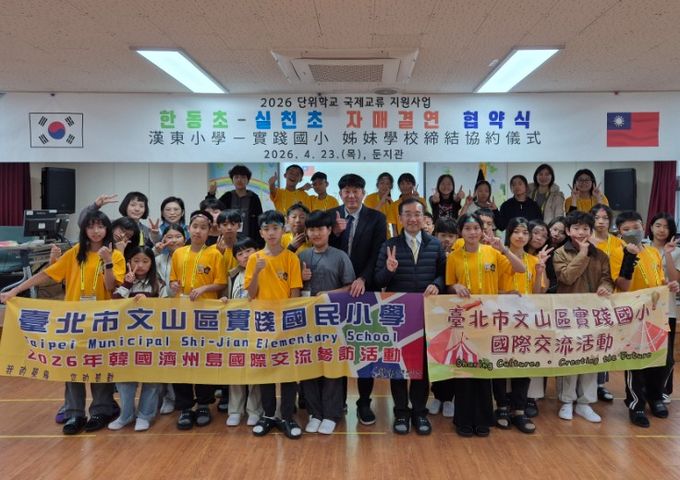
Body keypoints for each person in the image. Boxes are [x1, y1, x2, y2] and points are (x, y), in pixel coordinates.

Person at [1, 210, 125, 435]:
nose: (96, 231)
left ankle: (102, 409)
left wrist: (107, 261)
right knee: (72, 365)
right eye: (91, 226)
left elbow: (111, 286)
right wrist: (15, 290)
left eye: (100, 226)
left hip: (103, 320)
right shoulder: (75, 252)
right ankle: (74, 412)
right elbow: (48, 274)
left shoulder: (115, 255)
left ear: (107, 229)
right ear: (84, 230)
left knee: (100, 364)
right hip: (74, 320)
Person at [446, 213, 526, 437]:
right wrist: (455, 287)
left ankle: (483, 419)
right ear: (461, 232)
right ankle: (463, 420)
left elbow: (520, 269)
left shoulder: (492, 252)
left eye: (476, 228)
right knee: (464, 371)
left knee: (483, 371)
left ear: (482, 231)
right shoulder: (453, 257)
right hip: (464, 321)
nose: (472, 232)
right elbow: (449, 284)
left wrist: (505, 250)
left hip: (488, 320)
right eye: (467, 228)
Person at [374, 197, 447, 435]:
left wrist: (437, 284)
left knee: (422, 367)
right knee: (398, 365)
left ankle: (419, 412)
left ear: (424, 218)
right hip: (399, 315)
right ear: (400, 218)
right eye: (408, 214)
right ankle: (401, 412)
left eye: (417, 214)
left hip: (426, 314)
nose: (413, 219)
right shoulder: (389, 246)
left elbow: (444, 274)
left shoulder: (435, 245)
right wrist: (389, 270)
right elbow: (378, 279)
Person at [610, 211, 680, 427]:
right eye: (626, 229)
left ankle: (655, 397)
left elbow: (658, 280)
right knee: (636, 360)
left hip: (656, 312)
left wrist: (669, 285)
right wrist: (629, 257)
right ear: (620, 232)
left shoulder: (652, 252)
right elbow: (623, 285)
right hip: (633, 314)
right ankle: (636, 404)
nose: (633, 232)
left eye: (636, 227)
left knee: (662, 358)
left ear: (643, 227)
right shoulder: (617, 252)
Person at [328, 173, 387, 425]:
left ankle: (364, 402)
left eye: (356, 191)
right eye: (346, 191)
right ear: (340, 193)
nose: (351, 195)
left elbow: (378, 253)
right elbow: (324, 247)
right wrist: (335, 233)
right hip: (336, 292)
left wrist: (362, 278)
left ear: (363, 193)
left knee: (365, 348)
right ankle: (338, 401)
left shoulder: (377, 218)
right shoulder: (331, 216)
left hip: (366, 290)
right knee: (337, 348)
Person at [552, 211, 614, 424]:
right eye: (576, 228)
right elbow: (567, 277)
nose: (581, 232)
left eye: (585, 228)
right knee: (569, 355)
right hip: (568, 313)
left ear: (591, 230)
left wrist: (605, 288)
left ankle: (585, 403)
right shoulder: (560, 253)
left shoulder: (601, 255)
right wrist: (584, 253)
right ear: (568, 231)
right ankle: (567, 401)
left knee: (590, 356)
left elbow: (607, 279)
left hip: (593, 314)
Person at [246, 210, 303, 439]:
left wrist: (290, 322)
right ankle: (268, 415)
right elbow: (251, 294)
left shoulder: (291, 258)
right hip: (262, 323)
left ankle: (287, 416)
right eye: (266, 229)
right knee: (266, 370)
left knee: (288, 371)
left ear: (283, 230)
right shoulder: (254, 259)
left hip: (286, 322)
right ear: (261, 232)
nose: (271, 233)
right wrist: (257, 272)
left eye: (275, 228)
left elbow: (295, 292)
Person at [169, 210, 228, 430]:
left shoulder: (215, 254)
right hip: (182, 314)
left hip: (206, 315)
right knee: (181, 359)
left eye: (203, 228)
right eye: (195, 226)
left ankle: (203, 404)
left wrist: (204, 288)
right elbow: (173, 281)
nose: (198, 231)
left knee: (204, 358)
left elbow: (221, 283)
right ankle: (185, 407)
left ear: (209, 231)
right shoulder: (178, 253)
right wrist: (174, 285)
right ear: (188, 228)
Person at [298, 210, 355, 434]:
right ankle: (315, 413)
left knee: (332, 365)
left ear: (329, 230)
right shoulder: (301, 256)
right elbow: (292, 289)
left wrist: (328, 295)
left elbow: (350, 288)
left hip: (333, 320)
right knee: (309, 364)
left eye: (320, 229)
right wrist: (301, 279)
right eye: (311, 229)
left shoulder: (340, 256)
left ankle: (331, 414)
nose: (316, 233)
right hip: (307, 322)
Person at [494, 217, 550, 434]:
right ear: (509, 234)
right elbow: (489, 289)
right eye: (516, 231)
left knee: (523, 364)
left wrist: (539, 272)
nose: (521, 236)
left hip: (526, 320)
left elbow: (538, 293)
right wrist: (505, 294)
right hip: (500, 318)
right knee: (499, 363)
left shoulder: (533, 260)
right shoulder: (498, 256)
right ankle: (501, 407)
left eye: (525, 232)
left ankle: (519, 409)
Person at [109, 246, 161, 432]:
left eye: (145, 261)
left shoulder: (157, 283)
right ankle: (126, 414)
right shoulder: (123, 281)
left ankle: (145, 415)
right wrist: (127, 284)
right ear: (129, 262)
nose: (140, 265)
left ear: (151, 264)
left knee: (151, 378)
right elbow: (114, 302)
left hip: (151, 338)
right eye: (136, 261)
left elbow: (167, 306)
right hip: (126, 338)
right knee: (125, 378)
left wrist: (150, 301)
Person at [221, 237, 263, 427]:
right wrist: (224, 301)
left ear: (257, 251)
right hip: (236, 327)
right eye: (240, 253)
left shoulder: (264, 270)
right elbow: (226, 296)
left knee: (255, 368)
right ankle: (235, 410)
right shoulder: (232, 275)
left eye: (248, 251)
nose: (245, 256)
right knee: (236, 367)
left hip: (258, 326)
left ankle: (254, 410)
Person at [589, 203, 625, 402]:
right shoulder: (586, 241)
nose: (601, 222)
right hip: (589, 295)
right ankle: (584, 384)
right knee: (588, 341)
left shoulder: (619, 243)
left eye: (605, 218)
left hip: (611, 296)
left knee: (604, 341)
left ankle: (600, 385)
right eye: (597, 218)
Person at [427, 217, 459, 417]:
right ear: (435, 235)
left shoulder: (461, 254)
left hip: (457, 312)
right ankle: (437, 395)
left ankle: (449, 398)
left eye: (451, 236)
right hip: (435, 310)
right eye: (442, 235)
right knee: (437, 353)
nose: (447, 239)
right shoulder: (431, 252)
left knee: (453, 353)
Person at [153, 223, 186, 414]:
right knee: (167, 355)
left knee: (184, 355)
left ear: (185, 238)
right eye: (169, 237)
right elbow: (147, 273)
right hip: (164, 311)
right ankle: (168, 397)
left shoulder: (191, 255)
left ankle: (185, 398)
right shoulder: (158, 259)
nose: (174, 240)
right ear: (163, 240)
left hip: (188, 310)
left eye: (178, 236)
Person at [648, 213, 680, 405]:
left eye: (666, 227)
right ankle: (646, 389)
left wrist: (668, 253)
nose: (661, 230)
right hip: (645, 309)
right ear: (651, 227)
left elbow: (676, 279)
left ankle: (663, 390)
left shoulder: (676, 251)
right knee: (647, 351)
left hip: (667, 310)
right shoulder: (642, 248)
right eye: (658, 225)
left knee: (666, 354)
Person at [206, 164, 264, 243]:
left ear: (248, 180)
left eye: (243, 177)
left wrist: (259, 242)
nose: (239, 180)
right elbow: (211, 208)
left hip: (249, 240)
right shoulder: (227, 196)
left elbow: (259, 221)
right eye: (236, 177)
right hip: (227, 240)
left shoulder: (254, 198)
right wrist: (211, 194)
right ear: (232, 180)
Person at [364, 172, 394, 238]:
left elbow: (393, 223)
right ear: (377, 185)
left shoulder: (390, 202)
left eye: (387, 184)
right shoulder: (369, 198)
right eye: (382, 183)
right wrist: (381, 202)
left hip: (386, 237)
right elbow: (368, 218)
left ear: (391, 187)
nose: (384, 186)